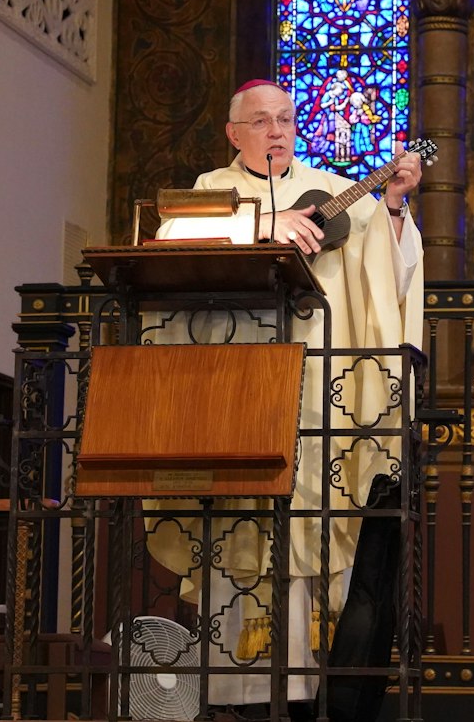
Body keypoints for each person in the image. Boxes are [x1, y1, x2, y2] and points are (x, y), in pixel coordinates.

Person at [146, 79, 423, 715]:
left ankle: (307, 697)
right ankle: (235, 698)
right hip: (232, 390)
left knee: (313, 526)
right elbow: (168, 243)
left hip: (317, 395)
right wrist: (264, 222)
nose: (276, 131)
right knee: (236, 525)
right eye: (261, 120)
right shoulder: (211, 194)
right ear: (233, 133)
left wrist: (397, 208)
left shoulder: (331, 189)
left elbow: (392, 276)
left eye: (286, 120)